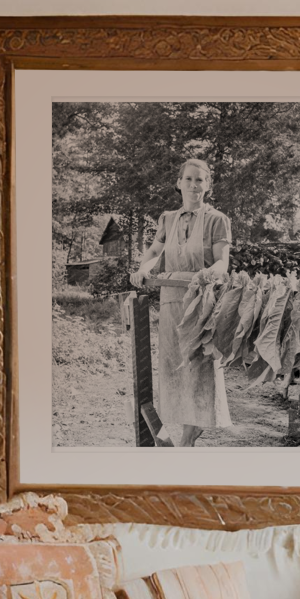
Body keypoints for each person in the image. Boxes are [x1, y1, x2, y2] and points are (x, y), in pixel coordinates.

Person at [129, 159, 232, 446]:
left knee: (199, 366)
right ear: (179, 183)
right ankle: (182, 430)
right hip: (171, 300)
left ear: (207, 185)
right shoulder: (168, 219)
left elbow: (223, 260)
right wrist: (143, 270)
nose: (194, 185)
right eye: (188, 179)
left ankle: (190, 433)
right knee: (175, 363)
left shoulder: (217, 220)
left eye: (200, 180)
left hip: (202, 302)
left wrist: (212, 272)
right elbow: (154, 250)